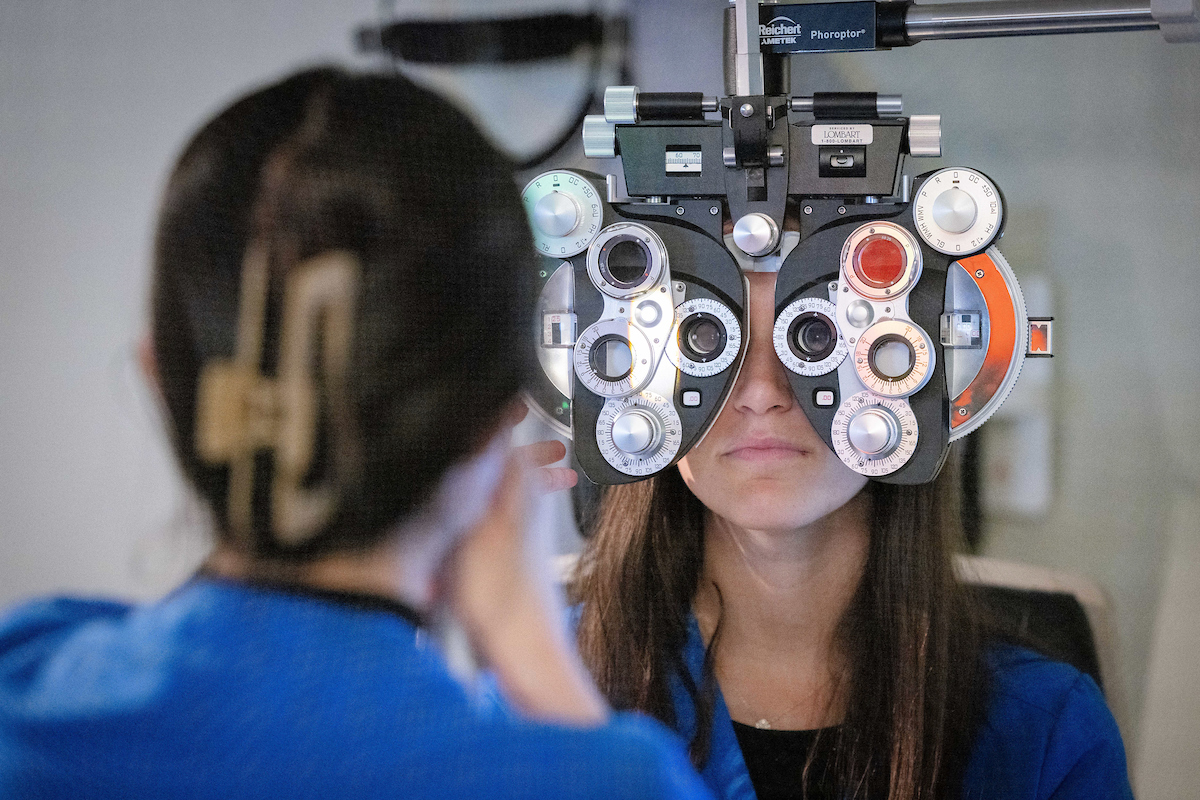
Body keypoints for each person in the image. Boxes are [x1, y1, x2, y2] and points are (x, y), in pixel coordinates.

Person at [0, 67, 713, 800]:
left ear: (164, 383)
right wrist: (533, 651)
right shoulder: (598, 780)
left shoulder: (21, 687)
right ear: (496, 419)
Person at [571, 269, 1133, 800]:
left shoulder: (1044, 730)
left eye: (816, 336)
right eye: (704, 337)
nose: (762, 391)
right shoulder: (537, 684)